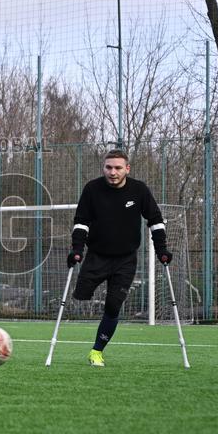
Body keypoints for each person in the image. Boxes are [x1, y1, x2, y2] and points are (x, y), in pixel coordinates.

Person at [66, 149, 171, 367]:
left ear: (127, 169)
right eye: (108, 167)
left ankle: (96, 351)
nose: (113, 172)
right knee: (80, 296)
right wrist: (77, 249)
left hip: (125, 260)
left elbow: (156, 220)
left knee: (113, 306)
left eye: (117, 168)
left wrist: (162, 249)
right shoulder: (92, 189)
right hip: (96, 256)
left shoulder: (139, 190)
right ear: (103, 168)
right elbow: (81, 222)